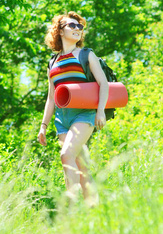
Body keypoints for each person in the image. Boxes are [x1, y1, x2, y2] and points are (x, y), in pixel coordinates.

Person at [37, 11, 109, 205]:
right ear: (60, 31)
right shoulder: (52, 62)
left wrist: (100, 110)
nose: (78, 29)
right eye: (72, 26)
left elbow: (103, 83)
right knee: (81, 167)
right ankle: (94, 212)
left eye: (80, 27)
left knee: (66, 154)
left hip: (84, 114)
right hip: (62, 119)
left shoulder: (86, 54)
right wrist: (43, 125)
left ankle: (72, 208)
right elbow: (51, 98)